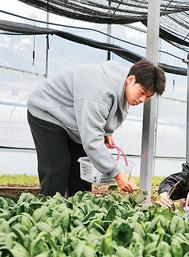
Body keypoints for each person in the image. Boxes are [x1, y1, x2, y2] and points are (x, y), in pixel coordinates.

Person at [27, 59, 166, 197]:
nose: (142, 100)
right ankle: (48, 211)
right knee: (58, 167)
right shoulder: (99, 91)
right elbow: (92, 140)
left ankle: (80, 212)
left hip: (71, 118)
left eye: (147, 97)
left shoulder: (121, 85)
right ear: (131, 79)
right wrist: (117, 174)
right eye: (142, 92)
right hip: (47, 112)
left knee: (81, 171)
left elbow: (99, 117)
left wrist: (105, 132)